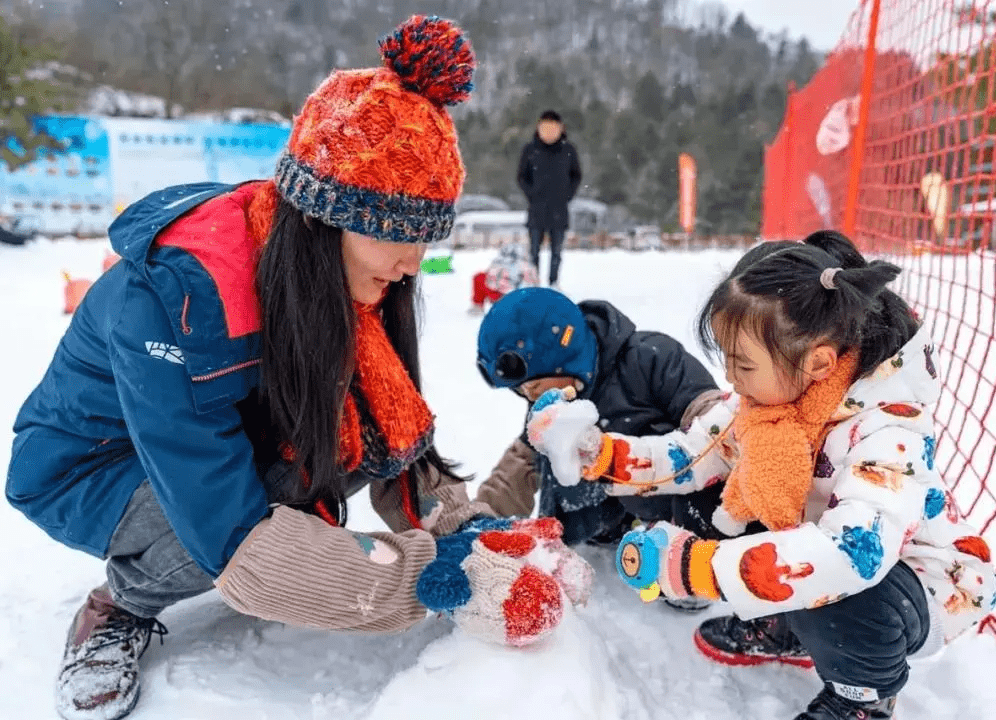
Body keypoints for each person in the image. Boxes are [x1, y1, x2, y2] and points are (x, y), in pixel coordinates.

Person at [6, 17, 588, 720]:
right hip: (94, 466)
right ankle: (118, 606)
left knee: (330, 450)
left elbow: (390, 435)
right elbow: (230, 533)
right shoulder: (172, 302)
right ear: (326, 218)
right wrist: (438, 578)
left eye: (427, 239)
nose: (414, 265)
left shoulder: (341, 279)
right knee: (219, 529)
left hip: (221, 443)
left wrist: (462, 533)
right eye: (402, 239)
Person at [525, 230, 996, 720]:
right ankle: (790, 628)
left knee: (836, 583)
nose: (730, 379)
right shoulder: (763, 405)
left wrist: (699, 567)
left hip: (913, 582)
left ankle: (863, 696)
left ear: (817, 362)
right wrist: (599, 453)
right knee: (747, 509)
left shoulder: (887, 431)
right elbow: (691, 455)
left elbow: (852, 556)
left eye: (743, 363)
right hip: (826, 548)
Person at [475, 287, 728, 576]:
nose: (531, 398)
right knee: (558, 450)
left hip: (677, 510)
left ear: (565, 355)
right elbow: (521, 463)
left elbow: (715, 424)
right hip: (605, 526)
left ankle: (690, 561)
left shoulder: (651, 359)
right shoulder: (554, 404)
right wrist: (480, 522)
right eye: (522, 391)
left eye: (533, 386)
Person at [516, 110, 582, 288]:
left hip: (559, 208)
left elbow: (576, 176)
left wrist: (566, 195)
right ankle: (533, 282)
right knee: (534, 250)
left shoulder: (568, 151)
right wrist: (532, 194)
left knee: (557, 251)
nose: (549, 132)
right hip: (537, 208)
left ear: (561, 129)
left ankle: (553, 282)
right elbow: (522, 177)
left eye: (553, 128)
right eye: (545, 127)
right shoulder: (530, 150)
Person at [468, 240, 539, 315]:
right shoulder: (527, 266)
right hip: (516, 297)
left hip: (501, 295)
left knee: (479, 277)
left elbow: (489, 279)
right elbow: (533, 286)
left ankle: (478, 305)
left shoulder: (498, 262)